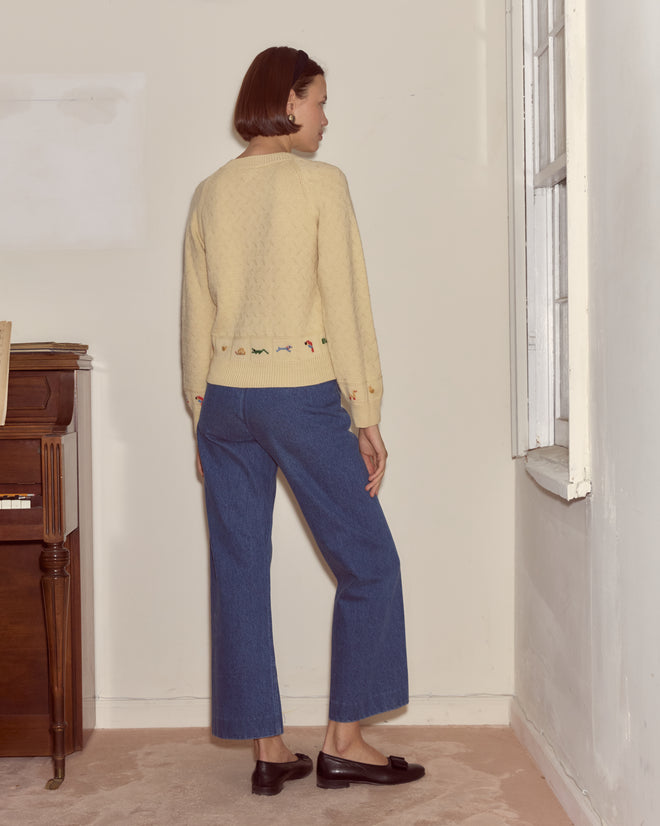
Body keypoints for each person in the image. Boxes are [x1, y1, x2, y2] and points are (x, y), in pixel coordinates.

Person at [181, 46, 424, 795]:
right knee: (370, 563)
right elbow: (346, 301)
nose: (325, 115)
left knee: (240, 571)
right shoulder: (321, 184)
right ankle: (346, 742)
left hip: (226, 400)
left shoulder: (210, 192)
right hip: (300, 393)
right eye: (319, 100)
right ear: (287, 103)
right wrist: (367, 411)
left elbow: (197, 314)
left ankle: (267, 750)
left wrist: (202, 413)